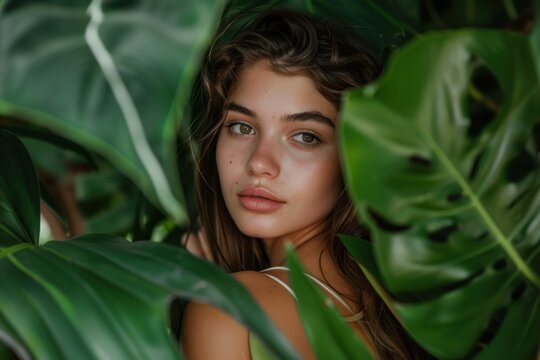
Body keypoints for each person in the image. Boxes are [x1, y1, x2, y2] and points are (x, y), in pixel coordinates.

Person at [180, 8, 431, 360]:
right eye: (241, 127)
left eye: (304, 137)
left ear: (353, 157)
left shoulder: (231, 310)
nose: (259, 164)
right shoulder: (416, 314)